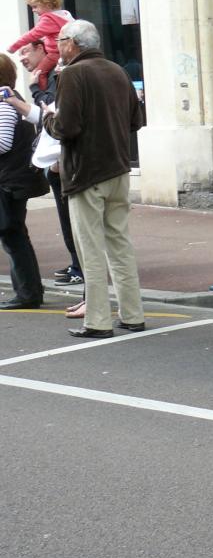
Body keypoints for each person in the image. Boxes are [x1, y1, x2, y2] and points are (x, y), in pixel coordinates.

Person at [42, 19, 145, 338]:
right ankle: (132, 314)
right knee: (120, 244)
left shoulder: (72, 74)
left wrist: (48, 118)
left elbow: (66, 128)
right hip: (118, 168)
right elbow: (135, 120)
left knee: (90, 248)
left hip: (86, 172)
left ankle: (98, 320)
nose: (56, 46)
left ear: (73, 43)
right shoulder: (117, 70)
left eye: (59, 40)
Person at [9, 43, 82, 294]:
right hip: (57, 163)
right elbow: (45, 116)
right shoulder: (50, 78)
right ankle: (77, 266)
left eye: (27, 51)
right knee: (70, 222)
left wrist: (32, 90)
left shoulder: (60, 77)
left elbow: (53, 116)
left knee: (78, 224)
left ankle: (80, 270)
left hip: (67, 164)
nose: (22, 58)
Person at [0, 55, 48, 309]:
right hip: (13, 179)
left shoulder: (4, 103)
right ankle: (28, 290)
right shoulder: (9, 99)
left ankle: (28, 293)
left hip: (9, 181)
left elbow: (3, 143)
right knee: (14, 234)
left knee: (12, 235)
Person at [8, 0, 73, 100]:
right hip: (63, 51)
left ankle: (44, 95)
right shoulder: (63, 15)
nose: (33, 10)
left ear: (47, 4)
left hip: (54, 53)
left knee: (39, 73)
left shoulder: (48, 19)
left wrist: (14, 46)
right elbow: (51, 35)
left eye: (35, 7)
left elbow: (33, 34)